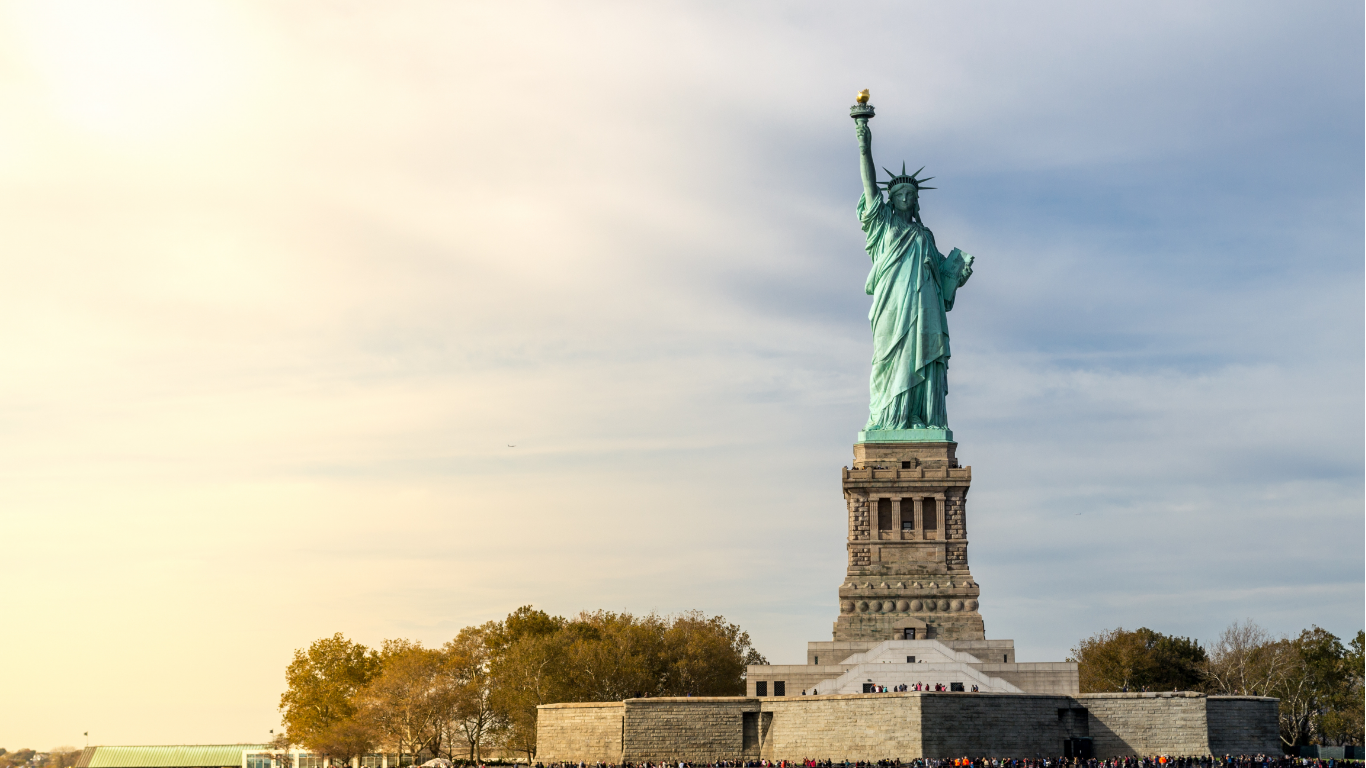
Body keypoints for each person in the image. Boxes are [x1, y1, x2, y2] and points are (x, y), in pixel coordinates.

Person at [852, 110, 974, 431]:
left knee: (921, 355)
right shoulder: (883, 225)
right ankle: (890, 419)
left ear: (916, 201)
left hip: (924, 309)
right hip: (892, 310)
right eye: (899, 195)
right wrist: (864, 146)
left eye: (911, 195)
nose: (906, 198)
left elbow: (942, 284)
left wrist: (956, 275)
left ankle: (918, 416)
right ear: (891, 201)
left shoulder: (926, 235)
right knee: (890, 359)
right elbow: (869, 186)